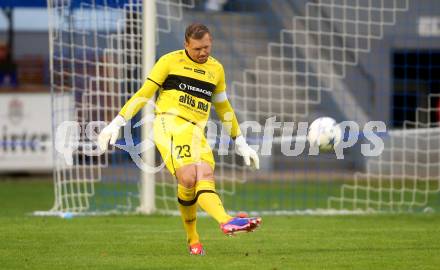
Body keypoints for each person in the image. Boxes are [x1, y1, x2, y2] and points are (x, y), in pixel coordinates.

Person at [98, 23, 261, 255]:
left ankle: (193, 241)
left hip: (196, 131)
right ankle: (225, 221)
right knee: (190, 175)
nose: (203, 52)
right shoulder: (169, 61)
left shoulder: (216, 69)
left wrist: (241, 141)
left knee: (199, 177)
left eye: (206, 47)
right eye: (197, 49)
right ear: (186, 44)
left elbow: (224, 107)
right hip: (169, 124)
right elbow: (144, 94)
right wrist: (117, 122)